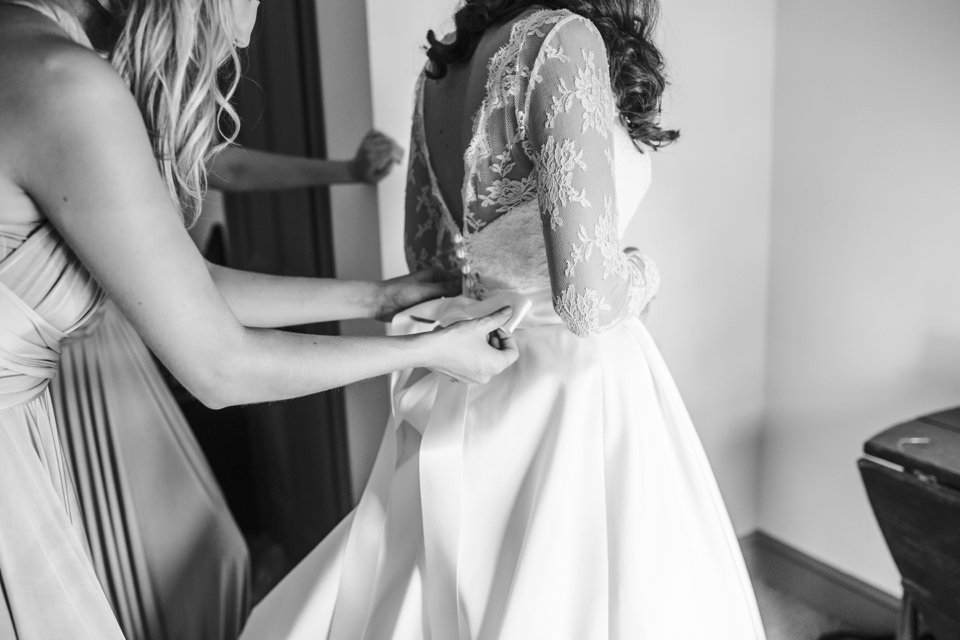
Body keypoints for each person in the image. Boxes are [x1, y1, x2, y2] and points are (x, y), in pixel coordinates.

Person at [240, 2, 767, 639]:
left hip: (479, 371)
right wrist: (645, 271)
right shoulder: (561, 41)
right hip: (577, 388)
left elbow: (428, 261)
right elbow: (588, 300)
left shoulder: (444, 69)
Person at [0, 1, 518, 638]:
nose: (245, 31)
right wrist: (432, 349)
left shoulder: (27, 43)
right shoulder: (66, 83)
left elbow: (187, 286)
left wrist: (379, 299)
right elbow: (221, 367)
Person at [51, 121, 405, 640]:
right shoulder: (77, 89)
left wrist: (377, 291)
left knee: (201, 560)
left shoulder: (121, 106)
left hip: (116, 343)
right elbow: (223, 367)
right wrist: (413, 341)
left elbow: (220, 179)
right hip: (62, 366)